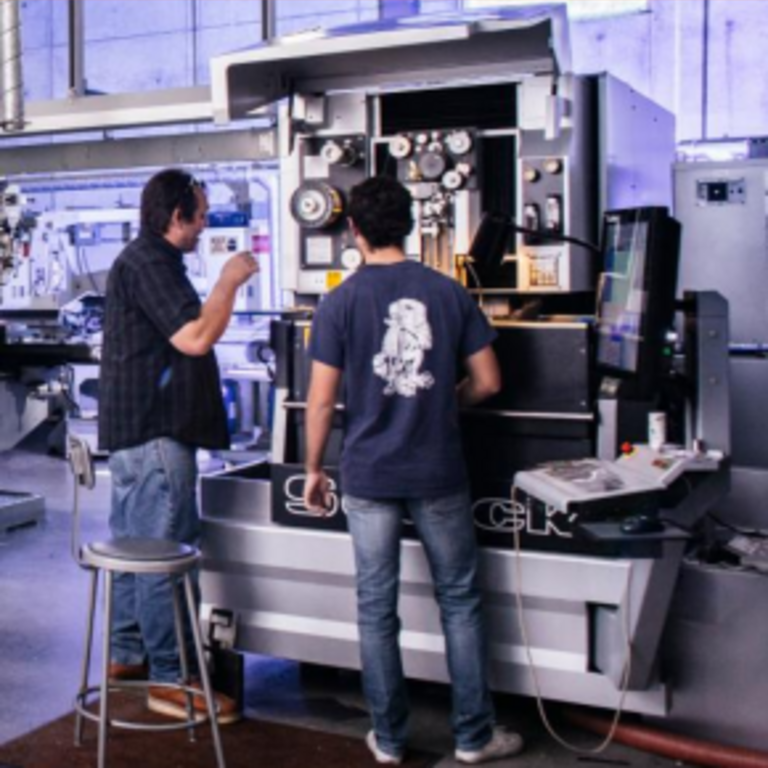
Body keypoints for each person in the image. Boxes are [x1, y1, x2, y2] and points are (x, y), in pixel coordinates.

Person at [303, 175, 524, 764]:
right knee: (461, 601)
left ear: (353, 230)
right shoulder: (448, 292)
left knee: (376, 607)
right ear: (411, 225)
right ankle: (474, 737)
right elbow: (490, 381)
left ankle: (391, 740)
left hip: (369, 476)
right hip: (438, 471)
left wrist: (314, 470)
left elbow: (321, 401)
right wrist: (442, 402)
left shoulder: (340, 301)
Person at [98, 167, 258, 723]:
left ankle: (128, 656)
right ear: (176, 217)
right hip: (155, 433)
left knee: (136, 548)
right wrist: (229, 280)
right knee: (166, 555)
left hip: (140, 434)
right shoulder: (149, 262)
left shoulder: (149, 261)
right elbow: (195, 337)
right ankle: (170, 680)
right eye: (201, 214)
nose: (205, 223)